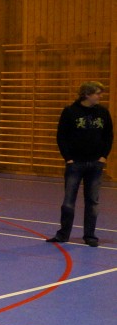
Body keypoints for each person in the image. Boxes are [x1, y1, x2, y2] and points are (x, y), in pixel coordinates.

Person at [46, 81, 112, 247]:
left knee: (92, 202)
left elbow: (108, 135)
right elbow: (61, 136)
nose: (100, 96)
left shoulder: (103, 112)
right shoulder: (70, 111)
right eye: (97, 93)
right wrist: (68, 158)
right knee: (68, 202)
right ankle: (63, 234)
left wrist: (103, 156)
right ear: (87, 94)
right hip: (75, 163)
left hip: (95, 164)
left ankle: (90, 236)